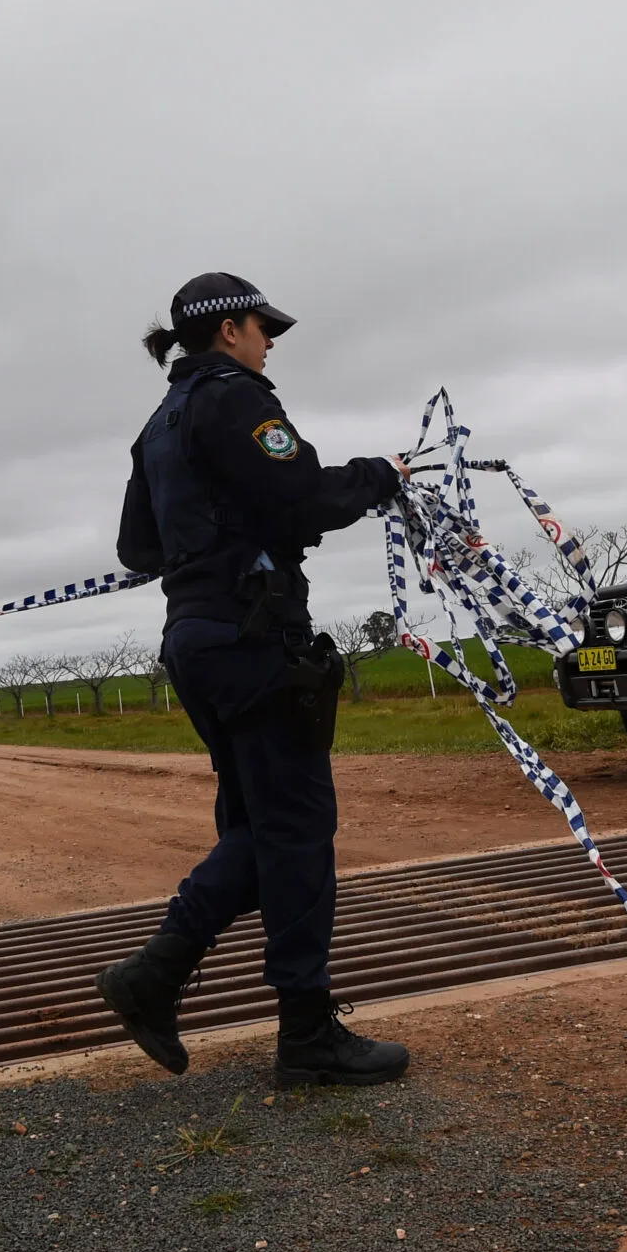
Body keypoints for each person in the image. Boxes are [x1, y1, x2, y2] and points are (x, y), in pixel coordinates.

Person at [98, 272, 412, 1086]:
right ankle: (305, 1033)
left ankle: (155, 976)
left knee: (260, 825)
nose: (270, 343)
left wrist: (211, 532)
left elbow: (139, 550)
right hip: (253, 639)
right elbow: (303, 494)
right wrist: (383, 475)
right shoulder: (237, 398)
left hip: (193, 641)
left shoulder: (158, 423)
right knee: (299, 827)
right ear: (230, 328)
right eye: (263, 328)